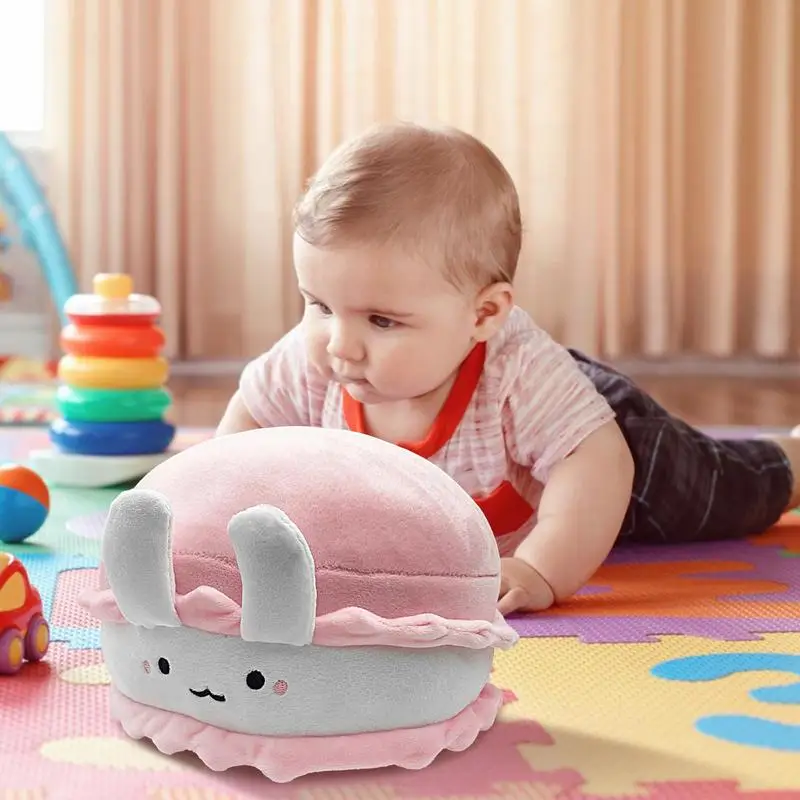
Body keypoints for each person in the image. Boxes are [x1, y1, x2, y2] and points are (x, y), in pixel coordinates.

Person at [217, 121, 800, 616]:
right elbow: (243, 433)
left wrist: (540, 567)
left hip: (616, 450)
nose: (340, 346)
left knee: (735, 491)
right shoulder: (311, 360)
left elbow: (598, 463)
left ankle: (790, 457)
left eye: (382, 321)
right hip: (533, 472)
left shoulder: (519, 375)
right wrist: (216, 515)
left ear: (483, 314)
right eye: (319, 305)